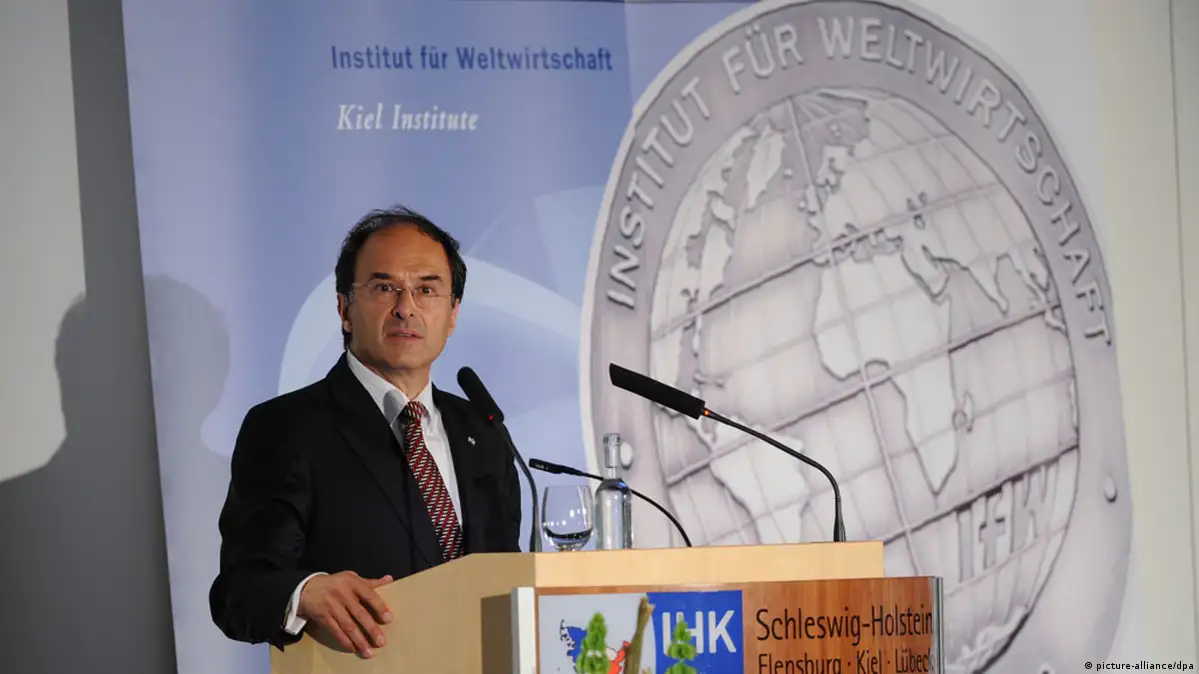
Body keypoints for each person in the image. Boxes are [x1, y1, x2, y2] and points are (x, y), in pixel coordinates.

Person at [208, 206, 523, 658]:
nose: (406, 308)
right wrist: (305, 591)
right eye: (384, 287)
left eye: (426, 289)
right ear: (345, 309)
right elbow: (239, 591)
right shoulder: (286, 427)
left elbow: (504, 576)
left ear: (453, 313)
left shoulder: (483, 431)